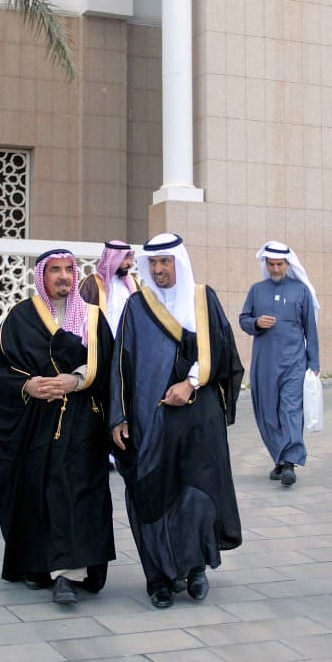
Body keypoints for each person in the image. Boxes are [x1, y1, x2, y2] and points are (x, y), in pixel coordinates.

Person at [110, 233, 244, 608]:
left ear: (178, 263)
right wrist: (119, 416)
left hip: (199, 416)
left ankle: (195, 568)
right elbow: (121, 362)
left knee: (196, 492)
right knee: (151, 491)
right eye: (153, 263)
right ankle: (158, 578)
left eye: (165, 262)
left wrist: (190, 382)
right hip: (150, 418)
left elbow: (222, 350)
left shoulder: (203, 299)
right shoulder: (138, 306)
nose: (159, 269)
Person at [0, 249, 116, 605]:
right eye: (55, 270)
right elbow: (0, 369)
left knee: (76, 491)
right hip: (36, 423)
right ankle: (38, 565)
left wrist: (76, 380)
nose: (63, 276)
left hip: (82, 422)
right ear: (41, 276)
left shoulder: (92, 317)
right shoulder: (21, 317)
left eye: (69, 270)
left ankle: (69, 574)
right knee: (36, 491)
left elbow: (108, 365)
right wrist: (27, 386)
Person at [238, 241, 319, 486]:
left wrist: (314, 362)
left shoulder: (300, 291)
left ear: (288, 264)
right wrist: (256, 323)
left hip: (294, 361)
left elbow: (311, 328)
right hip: (264, 362)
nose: (275, 269)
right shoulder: (256, 290)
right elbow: (243, 319)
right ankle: (280, 458)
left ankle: (290, 462)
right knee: (267, 411)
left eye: (279, 264)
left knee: (290, 409)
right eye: (271, 264)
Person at [79, 240, 138, 336]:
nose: (129, 263)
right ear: (113, 259)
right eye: (125, 258)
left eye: (130, 257)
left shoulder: (133, 284)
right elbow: (78, 313)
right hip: (99, 340)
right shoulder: (91, 283)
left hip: (124, 340)